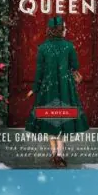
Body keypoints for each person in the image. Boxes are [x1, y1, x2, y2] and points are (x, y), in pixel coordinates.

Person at [25, 16, 89, 167]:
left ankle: (54, 154)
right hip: (65, 88)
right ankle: (60, 154)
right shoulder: (69, 46)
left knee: (49, 119)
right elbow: (75, 65)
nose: (66, 29)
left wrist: (34, 89)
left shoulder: (42, 48)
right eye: (64, 27)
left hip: (48, 88)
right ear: (60, 30)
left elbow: (39, 71)